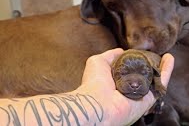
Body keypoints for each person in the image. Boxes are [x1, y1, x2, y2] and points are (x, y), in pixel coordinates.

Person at [0, 48, 175, 125]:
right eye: (123, 74)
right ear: (111, 72)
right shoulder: (110, 67)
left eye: (143, 74)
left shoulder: (153, 67)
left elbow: (157, 75)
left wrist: (157, 86)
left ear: (152, 72)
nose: (135, 82)